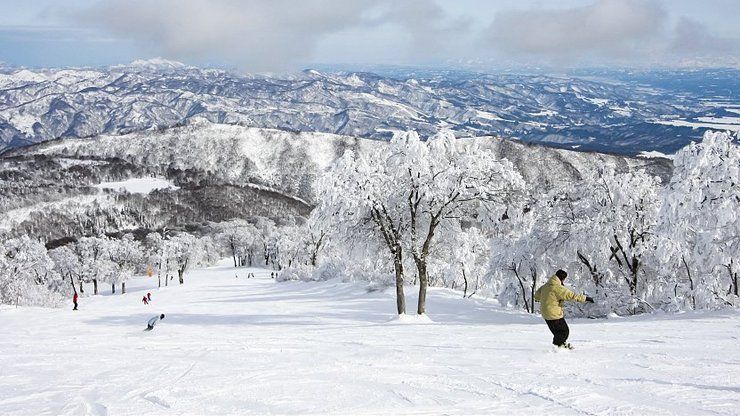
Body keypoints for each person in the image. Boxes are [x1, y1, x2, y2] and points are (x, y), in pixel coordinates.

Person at [534, 269, 594, 349]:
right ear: (562, 278)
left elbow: (537, 296)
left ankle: (561, 345)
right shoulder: (557, 288)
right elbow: (572, 296)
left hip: (545, 313)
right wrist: (586, 298)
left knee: (557, 332)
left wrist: (548, 298)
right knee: (564, 332)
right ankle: (557, 348)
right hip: (554, 313)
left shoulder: (545, 286)